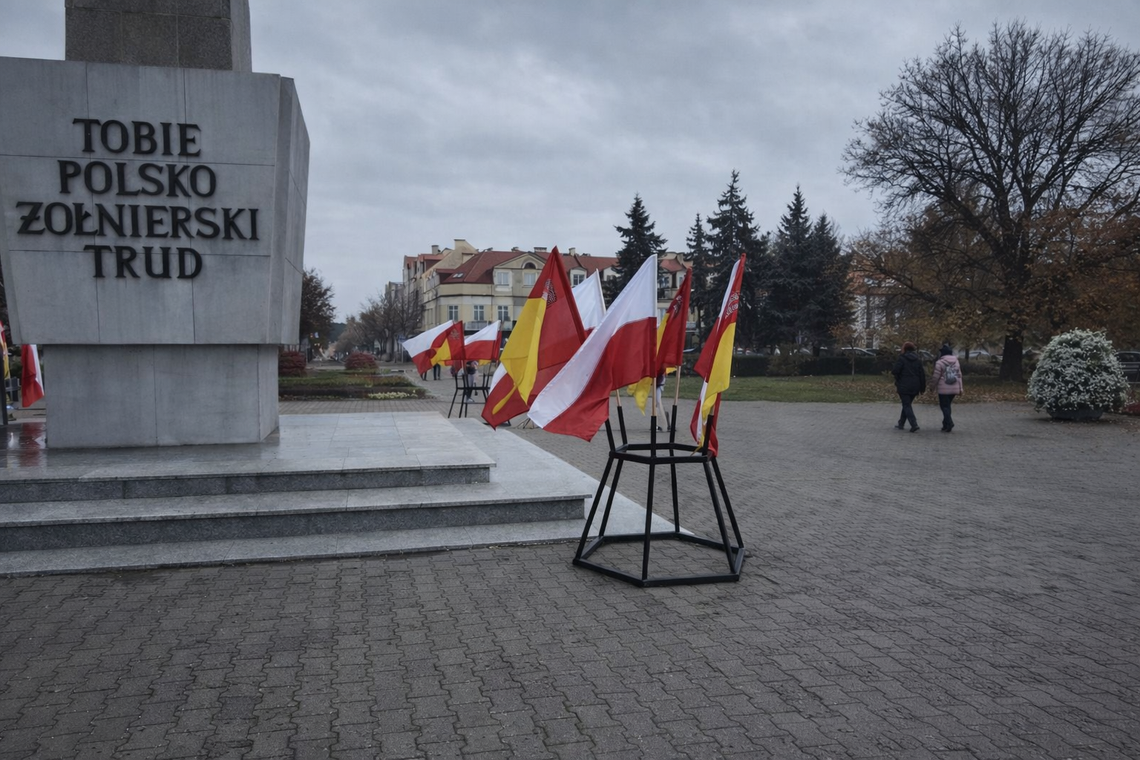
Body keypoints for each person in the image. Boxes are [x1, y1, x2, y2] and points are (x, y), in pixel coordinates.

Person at [891, 341, 926, 432]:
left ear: (904, 349)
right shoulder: (918, 360)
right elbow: (922, 374)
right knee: (907, 404)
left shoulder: (902, 358)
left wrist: (898, 378)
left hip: (904, 385)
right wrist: (922, 387)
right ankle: (901, 423)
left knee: (906, 405)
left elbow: (895, 371)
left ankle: (914, 424)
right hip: (915, 386)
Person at [930, 344, 963, 432]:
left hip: (943, 389)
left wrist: (932, 387)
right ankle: (945, 425)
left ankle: (949, 422)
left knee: (944, 406)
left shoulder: (939, 362)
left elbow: (936, 376)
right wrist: (960, 388)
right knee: (947, 406)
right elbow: (959, 375)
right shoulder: (956, 361)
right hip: (954, 388)